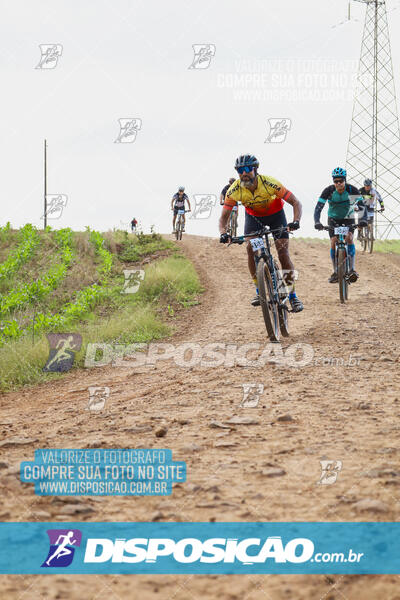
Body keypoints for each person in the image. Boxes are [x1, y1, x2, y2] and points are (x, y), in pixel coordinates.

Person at [219, 154, 303, 312]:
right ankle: (259, 291)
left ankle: (293, 296)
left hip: (276, 217)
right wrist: (223, 232)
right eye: (240, 170)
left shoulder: (270, 183)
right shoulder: (234, 190)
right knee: (251, 249)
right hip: (254, 220)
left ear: (255, 169)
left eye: (247, 169)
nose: (244, 173)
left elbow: (295, 202)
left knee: (283, 254)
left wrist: (296, 221)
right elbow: (223, 217)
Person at [314, 167, 368, 283]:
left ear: (345, 180)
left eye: (341, 181)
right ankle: (335, 272)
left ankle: (352, 269)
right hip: (333, 219)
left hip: (349, 218)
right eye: (336, 181)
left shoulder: (351, 189)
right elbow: (318, 207)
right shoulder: (328, 191)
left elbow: (362, 206)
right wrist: (317, 222)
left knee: (349, 237)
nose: (338, 184)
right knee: (333, 241)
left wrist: (363, 220)